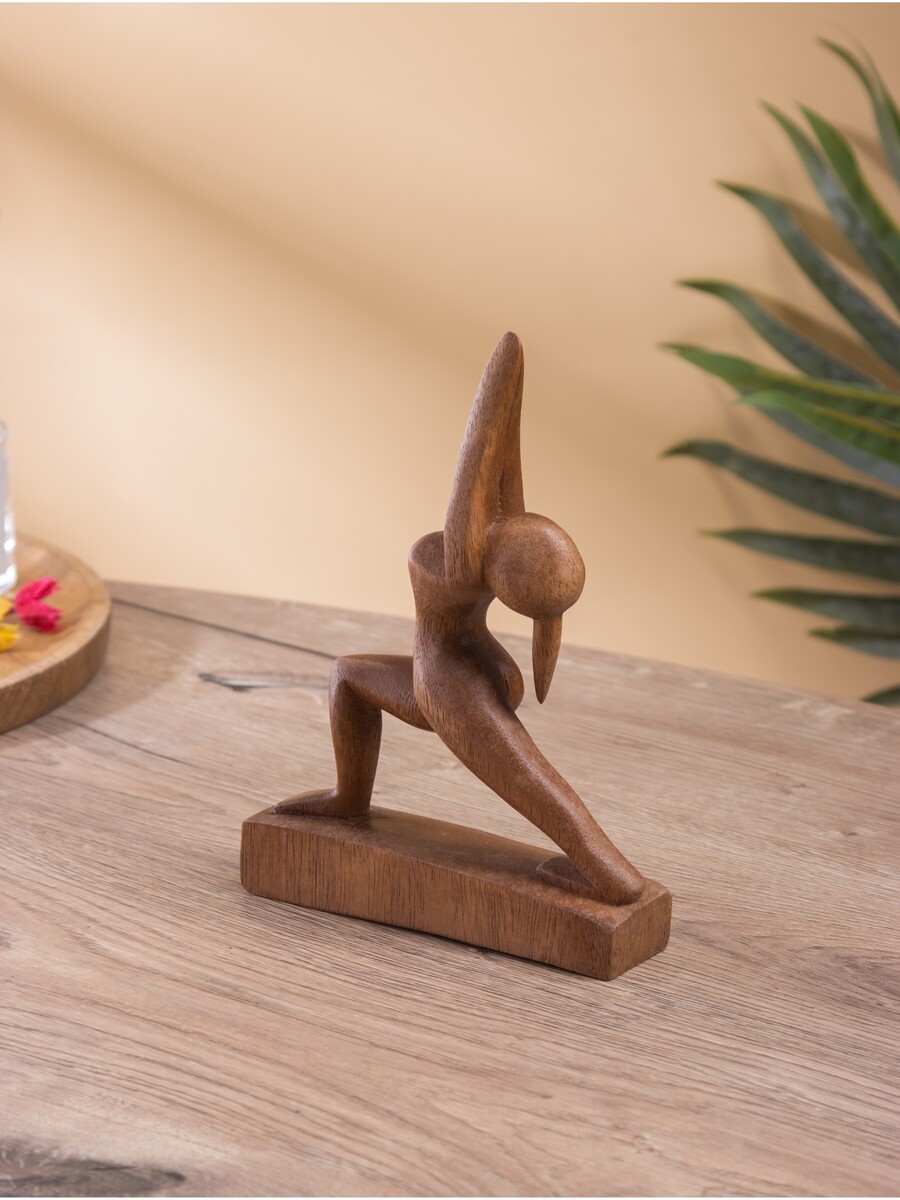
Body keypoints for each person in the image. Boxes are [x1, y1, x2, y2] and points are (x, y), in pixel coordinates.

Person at [275, 333, 645, 906]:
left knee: (529, 782)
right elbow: (500, 449)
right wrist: (510, 376)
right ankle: (349, 799)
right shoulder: (504, 522)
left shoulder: (464, 553)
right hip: (481, 663)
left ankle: (614, 878)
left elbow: (479, 449)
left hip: (447, 682)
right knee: (347, 674)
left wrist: (503, 374)